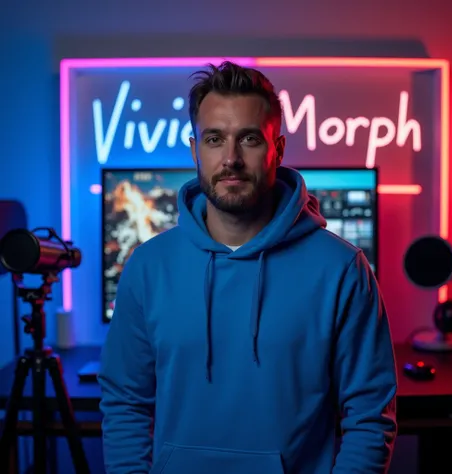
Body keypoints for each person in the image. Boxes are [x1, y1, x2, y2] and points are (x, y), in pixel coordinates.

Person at [98, 61, 397, 474]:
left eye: (250, 139)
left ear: (278, 148)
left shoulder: (343, 269)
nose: (231, 158)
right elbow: (125, 403)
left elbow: (368, 418)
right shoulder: (148, 267)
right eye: (215, 139)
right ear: (195, 150)